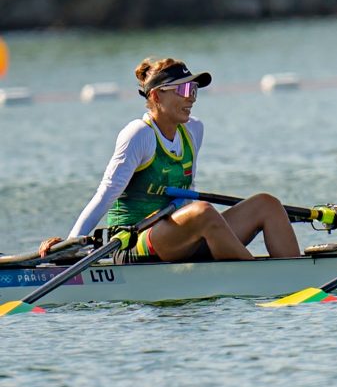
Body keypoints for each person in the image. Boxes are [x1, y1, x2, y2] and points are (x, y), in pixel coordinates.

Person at [39, 57, 300, 263]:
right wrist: (71, 245)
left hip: (180, 233)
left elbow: (187, 196)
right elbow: (105, 194)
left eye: (194, 90)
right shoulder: (139, 135)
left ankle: (296, 274)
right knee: (204, 213)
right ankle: (259, 276)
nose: (191, 98)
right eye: (183, 89)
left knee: (267, 204)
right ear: (156, 96)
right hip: (133, 241)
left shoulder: (194, 130)